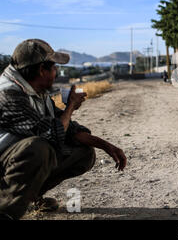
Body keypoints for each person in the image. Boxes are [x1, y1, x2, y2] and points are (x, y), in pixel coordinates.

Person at [0, 39, 127, 220]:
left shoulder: (36, 90)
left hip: (10, 163)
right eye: (54, 68)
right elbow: (51, 133)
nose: (57, 72)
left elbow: (68, 128)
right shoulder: (8, 93)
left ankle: (28, 196)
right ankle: (6, 210)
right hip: (4, 165)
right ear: (41, 70)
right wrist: (71, 107)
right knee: (38, 148)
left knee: (84, 153)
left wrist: (106, 146)